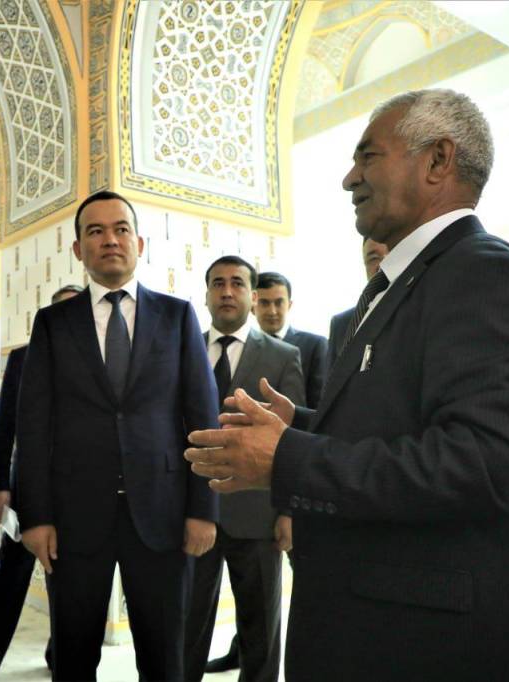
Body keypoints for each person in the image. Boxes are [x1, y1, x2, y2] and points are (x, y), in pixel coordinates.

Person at [185, 89, 509, 681]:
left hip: (432, 642)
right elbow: (409, 426)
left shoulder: (486, 274)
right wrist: (303, 426)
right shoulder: (408, 282)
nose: (350, 178)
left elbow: (489, 464)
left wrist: (288, 456)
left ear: (438, 161)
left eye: (368, 156)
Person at [16, 190, 219, 681]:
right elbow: (34, 424)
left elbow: (202, 419)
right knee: (73, 655)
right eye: (96, 231)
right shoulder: (53, 324)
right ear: (78, 249)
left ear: (139, 243)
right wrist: (35, 516)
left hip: (163, 513)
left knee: (164, 656)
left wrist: (203, 509)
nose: (110, 239)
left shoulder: (177, 316)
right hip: (75, 516)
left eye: (121, 229)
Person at [184, 256, 304, 682]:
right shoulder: (182, 351)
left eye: (237, 283)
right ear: (206, 295)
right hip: (193, 513)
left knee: (260, 633)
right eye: (217, 283)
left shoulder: (284, 356)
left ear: (252, 297)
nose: (226, 291)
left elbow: (290, 441)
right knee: (187, 629)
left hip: (257, 514)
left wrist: (288, 511)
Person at [0, 284, 83, 682]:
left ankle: (58, 655)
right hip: (26, 490)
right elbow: (5, 427)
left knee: (71, 584)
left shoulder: (100, 360)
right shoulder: (23, 357)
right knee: (9, 580)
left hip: (78, 492)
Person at [253, 272, 327, 407]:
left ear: (289, 304)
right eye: (264, 303)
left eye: (279, 303)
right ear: (252, 306)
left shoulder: (314, 345)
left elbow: (320, 402)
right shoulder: (243, 347)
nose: (272, 311)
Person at [327, 237, 389, 360]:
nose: (382, 265)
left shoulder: (420, 311)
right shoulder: (342, 324)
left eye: (391, 255)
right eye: (373, 258)